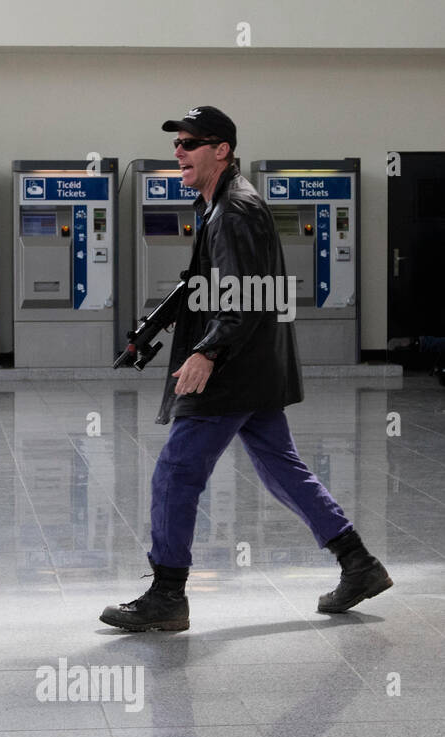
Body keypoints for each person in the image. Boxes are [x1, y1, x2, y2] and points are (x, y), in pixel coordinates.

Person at [101, 106, 392, 632]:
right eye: (176, 144)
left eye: (190, 143)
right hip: (254, 368)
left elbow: (247, 301)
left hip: (231, 370)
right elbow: (212, 285)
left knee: (176, 472)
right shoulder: (219, 204)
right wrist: (158, 325)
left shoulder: (235, 210)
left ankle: (167, 594)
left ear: (222, 150)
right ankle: (359, 563)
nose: (179, 152)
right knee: (282, 468)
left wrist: (206, 352)